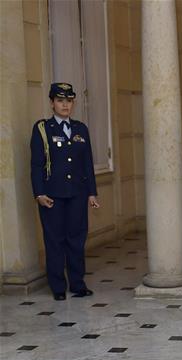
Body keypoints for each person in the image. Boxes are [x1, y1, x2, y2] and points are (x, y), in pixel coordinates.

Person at [30, 82, 100, 300]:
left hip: (77, 194)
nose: (65, 105)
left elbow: (87, 163)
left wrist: (92, 193)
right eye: (60, 100)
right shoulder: (43, 129)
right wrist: (39, 193)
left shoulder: (81, 129)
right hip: (52, 195)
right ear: (52, 103)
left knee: (77, 240)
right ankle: (58, 287)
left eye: (69, 101)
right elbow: (36, 165)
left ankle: (78, 284)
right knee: (55, 241)